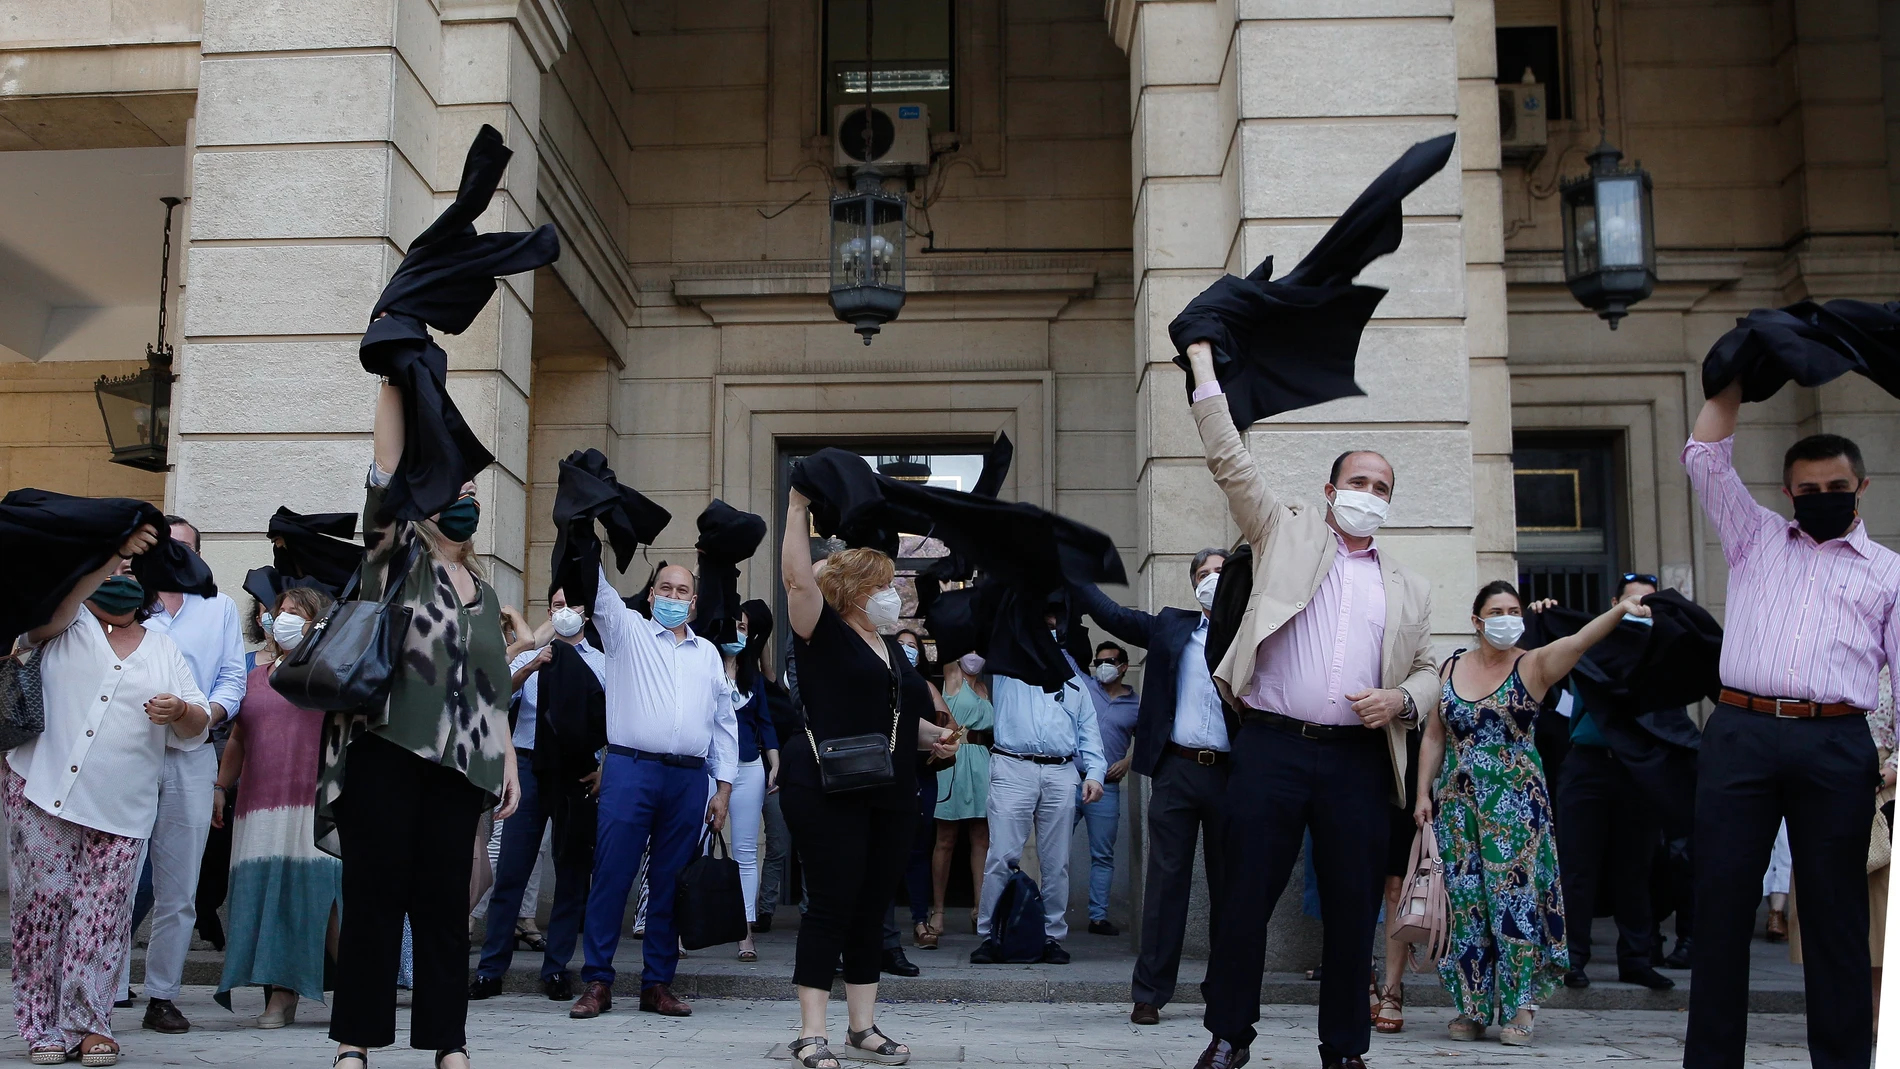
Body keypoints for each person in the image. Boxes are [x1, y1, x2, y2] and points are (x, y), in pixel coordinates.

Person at [1180, 340, 1438, 1069]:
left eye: (1383, 485)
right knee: (1244, 902)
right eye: (1358, 479)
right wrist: (1204, 372)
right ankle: (1230, 1036)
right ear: (1330, 491)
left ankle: (1345, 1049)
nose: (1370, 492)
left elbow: (1429, 670)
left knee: (1354, 911)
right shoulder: (1282, 530)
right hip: (1272, 747)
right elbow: (1229, 460)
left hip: (1357, 758)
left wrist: (1401, 698)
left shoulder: (1409, 586)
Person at [1682, 382, 1899, 1069]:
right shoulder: (1755, 538)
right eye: (1808, 488)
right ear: (1788, 493)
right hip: (1741, 730)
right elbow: (1704, 458)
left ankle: (1842, 1061)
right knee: (1719, 905)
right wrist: (1734, 381)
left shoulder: (1890, 572)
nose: (1823, 496)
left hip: (1835, 739)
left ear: (1860, 486)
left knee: (1836, 916)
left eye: (1836, 484)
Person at [321, 380, 521, 1069]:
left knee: (444, 908)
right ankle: (356, 1039)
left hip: (462, 770)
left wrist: (509, 766)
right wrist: (392, 383)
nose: (463, 503)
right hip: (386, 754)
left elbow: (493, 690)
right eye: (450, 492)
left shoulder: (488, 593)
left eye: (472, 495)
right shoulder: (394, 565)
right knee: (374, 900)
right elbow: (383, 477)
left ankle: (449, 1042)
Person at [9, 527, 211, 1066]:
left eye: (130, 573)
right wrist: (106, 554)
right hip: (42, 790)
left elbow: (197, 723)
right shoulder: (63, 624)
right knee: (43, 908)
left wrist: (180, 711)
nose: (121, 579)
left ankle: (90, 1024)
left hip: (123, 806)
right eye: (111, 571)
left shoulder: (165, 646)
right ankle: (41, 1026)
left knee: (101, 915)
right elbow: (34, 627)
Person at [1415, 582, 1646, 1045]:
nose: (1507, 617)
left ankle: (1521, 1008)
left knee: (1514, 903)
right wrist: (1423, 792)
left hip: (1516, 808)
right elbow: (1435, 735)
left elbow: (1580, 639)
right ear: (1477, 620)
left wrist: (1620, 609)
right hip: (1459, 808)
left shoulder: (1533, 663)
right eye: (1496, 610)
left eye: (1514, 610)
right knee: (1466, 905)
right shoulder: (1451, 665)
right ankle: (1472, 1006)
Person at [779, 490, 957, 1069]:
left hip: (887, 787)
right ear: (854, 591)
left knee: (872, 905)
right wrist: (799, 508)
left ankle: (862, 1027)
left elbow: (897, 722)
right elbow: (798, 582)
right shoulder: (821, 631)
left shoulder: (893, 651)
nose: (891, 595)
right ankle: (811, 1031)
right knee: (831, 903)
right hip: (828, 787)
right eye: (880, 585)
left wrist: (934, 739)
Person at [568, 558, 737, 1020]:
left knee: (669, 882)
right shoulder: (628, 632)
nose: (674, 598)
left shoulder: (707, 653)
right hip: (630, 769)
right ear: (651, 594)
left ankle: (657, 984)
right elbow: (596, 586)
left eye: (683, 592)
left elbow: (724, 723)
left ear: (695, 601)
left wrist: (722, 789)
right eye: (666, 588)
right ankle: (598, 981)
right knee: (612, 874)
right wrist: (588, 526)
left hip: (688, 777)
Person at [1073, 548, 1231, 1026]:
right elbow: (1113, 616)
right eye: (1203, 574)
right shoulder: (1171, 626)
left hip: (1233, 774)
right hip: (1177, 770)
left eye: (1220, 572)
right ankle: (1150, 993)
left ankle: (1225, 991)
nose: (1211, 580)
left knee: (1232, 886)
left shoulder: (1256, 629)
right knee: (1165, 884)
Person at [124, 516, 246, 1036]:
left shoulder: (217, 608)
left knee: (180, 887)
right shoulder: (126, 603)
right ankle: (104, 986)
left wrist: (206, 714)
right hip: (128, 754)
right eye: (164, 547)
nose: (174, 556)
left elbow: (233, 675)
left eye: (184, 548)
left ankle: (163, 995)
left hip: (193, 753)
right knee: (119, 876)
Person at [213, 586, 344, 1026]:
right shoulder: (253, 673)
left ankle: (359, 990)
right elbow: (238, 738)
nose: (281, 619)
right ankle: (280, 996)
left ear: (317, 624)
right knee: (270, 895)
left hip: (316, 803)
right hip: (259, 806)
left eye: (295, 613)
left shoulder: (331, 671)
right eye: (278, 611)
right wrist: (219, 787)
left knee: (325, 898)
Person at [468, 588, 606, 1002]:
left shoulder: (602, 663)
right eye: (559, 606)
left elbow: (613, 720)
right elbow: (495, 698)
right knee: (512, 869)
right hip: (528, 765)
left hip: (577, 770)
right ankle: (492, 967)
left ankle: (557, 968)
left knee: (570, 871)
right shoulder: (532, 655)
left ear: (587, 613)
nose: (566, 613)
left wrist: (604, 768)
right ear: (549, 611)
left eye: (574, 605)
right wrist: (532, 668)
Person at [1550, 574, 1686, 992]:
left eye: (1648, 603)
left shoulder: (1666, 650)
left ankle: (1637, 959)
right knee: (1577, 866)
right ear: (1614, 605)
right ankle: (1571, 959)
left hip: (1639, 769)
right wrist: (1543, 615)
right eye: (1631, 603)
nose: (1639, 610)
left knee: (1635, 867)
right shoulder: (1592, 645)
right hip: (1588, 765)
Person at [968, 603, 1107, 967]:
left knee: (1056, 862)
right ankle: (990, 934)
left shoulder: (1075, 680)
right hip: (1013, 766)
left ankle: (1051, 936)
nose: (1048, 630)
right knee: (1001, 856)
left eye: (1054, 624)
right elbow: (986, 624)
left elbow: (1089, 731)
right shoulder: (1008, 665)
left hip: (1061, 773)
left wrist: (1094, 773)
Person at [726, 600, 782, 962]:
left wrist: (774, 764)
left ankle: (745, 932)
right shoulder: (703, 667)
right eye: (735, 626)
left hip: (749, 768)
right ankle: (681, 930)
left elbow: (766, 723)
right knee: (693, 849)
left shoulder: (754, 679)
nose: (738, 633)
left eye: (745, 629)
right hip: (708, 769)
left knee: (746, 853)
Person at [1073, 641, 1138, 937]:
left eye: (1109, 661)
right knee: (1054, 849)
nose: (1102, 666)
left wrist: (1128, 761)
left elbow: (1153, 738)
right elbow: (1061, 653)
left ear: (1124, 666)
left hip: (1107, 788)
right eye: (1098, 661)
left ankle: (1097, 918)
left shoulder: (1136, 706)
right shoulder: (1085, 687)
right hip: (1070, 779)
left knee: (1103, 855)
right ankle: (1047, 915)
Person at [931, 653, 992, 942]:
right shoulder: (953, 679)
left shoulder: (984, 688)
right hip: (955, 757)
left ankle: (980, 910)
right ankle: (938, 911)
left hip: (982, 760)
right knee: (946, 837)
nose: (974, 656)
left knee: (982, 837)